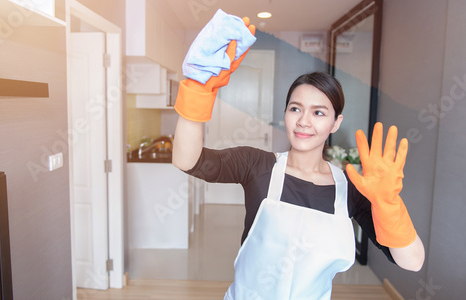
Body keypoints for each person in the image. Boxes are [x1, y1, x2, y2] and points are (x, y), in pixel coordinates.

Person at [172, 15, 425, 300]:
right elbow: (188, 160)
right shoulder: (257, 166)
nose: (304, 121)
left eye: (319, 112)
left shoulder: (351, 190)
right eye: (295, 109)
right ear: (285, 114)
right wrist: (197, 91)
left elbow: (411, 261)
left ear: (336, 122)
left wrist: (389, 205)